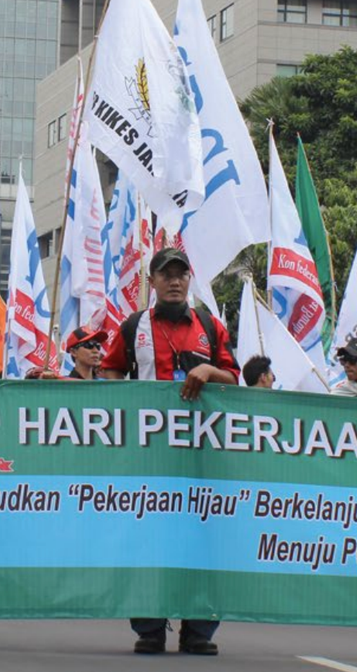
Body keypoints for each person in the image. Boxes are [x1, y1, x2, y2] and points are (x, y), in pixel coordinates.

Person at [99, 248, 240, 656]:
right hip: (149, 457)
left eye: (181, 274)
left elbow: (233, 378)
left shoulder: (211, 327)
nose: (175, 281)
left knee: (202, 540)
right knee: (148, 538)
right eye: (166, 275)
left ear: (189, 279)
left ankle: (199, 630)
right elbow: (111, 370)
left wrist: (209, 371)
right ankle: (150, 628)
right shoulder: (133, 326)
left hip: (202, 457)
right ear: (153, 282)